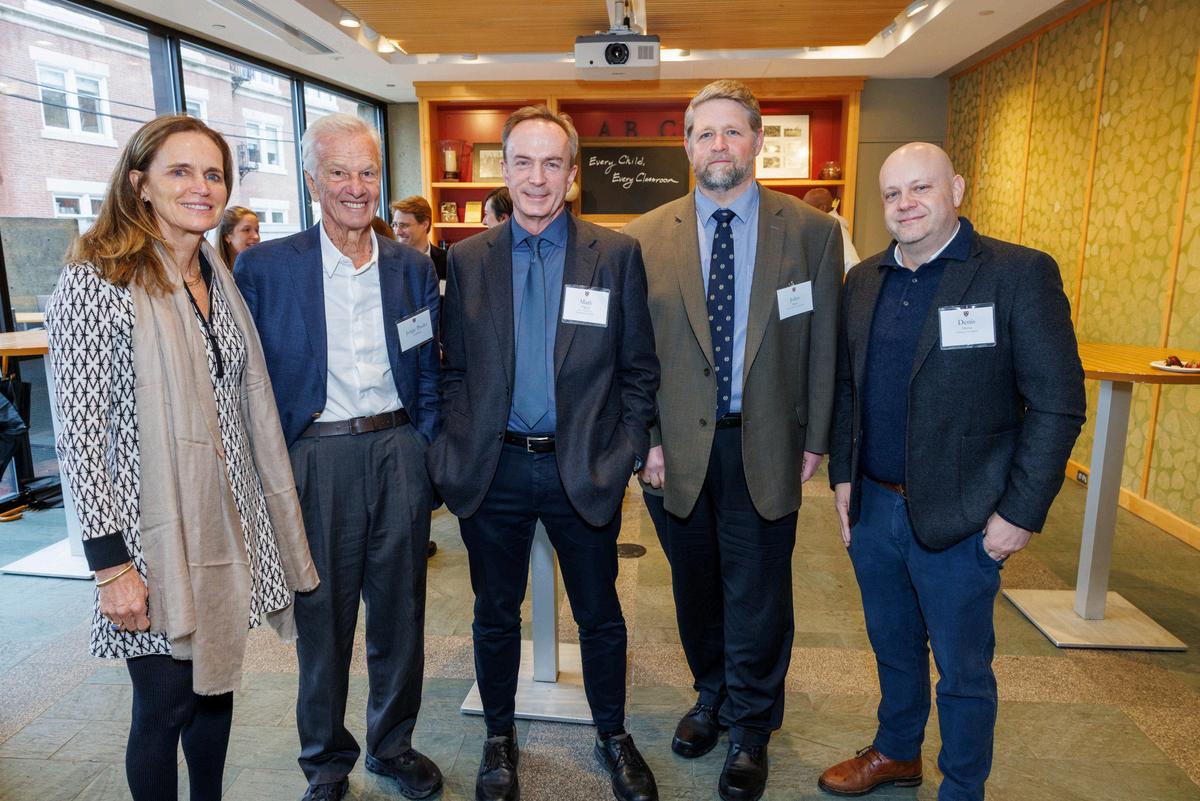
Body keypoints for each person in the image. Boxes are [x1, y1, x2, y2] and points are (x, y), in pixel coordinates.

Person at [44, 114, 319, 801]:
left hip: (227, 527)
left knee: (215, 694)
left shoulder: (217, 274)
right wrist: (112, 568)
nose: (202, 186)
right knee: (164, 707)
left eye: (213, 174)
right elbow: (80, 437)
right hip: (151, 538)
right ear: (140, 184)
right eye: (180, 171)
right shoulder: (97, 280)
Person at [818, 142, 1085, 800]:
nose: (905, 204)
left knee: (963, 671)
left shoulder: (1017, 274)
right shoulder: (865, 281)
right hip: (875, 507)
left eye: (922, 188)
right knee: (892, 644)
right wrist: (844, 478)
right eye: (892, 193)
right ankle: (896, 751)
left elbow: (1058, 404)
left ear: (957, 189)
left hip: (966, 515)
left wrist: (1018, 513)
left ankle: (962, 787)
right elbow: (848, 387)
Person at [427, 105, 660, 801]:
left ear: (573, 174)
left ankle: (612, 735)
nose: (537, 178)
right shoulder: (468, 258)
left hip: (581, 465)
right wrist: (451, 449)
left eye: (552, 163)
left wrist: (624, 451)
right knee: (495, 613)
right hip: (493, 467)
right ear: (503, 169)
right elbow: (452, 368)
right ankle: (499, 739)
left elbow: (639, 368)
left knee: (600, 615)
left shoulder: (615, 255)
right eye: (523, 162)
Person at [624, 79, 842, 801]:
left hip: (765, 441)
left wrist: (815, 435)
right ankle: (711, 693)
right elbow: (633, 353)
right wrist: (645, 439)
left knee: (758, 591)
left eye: (733, 131)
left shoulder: (810, 232)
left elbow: (823, 344)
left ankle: (752, 724)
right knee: (694, 587)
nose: (719, 145)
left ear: (757, 141)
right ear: (687, 147)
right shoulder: (643, 237)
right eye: (704, 133)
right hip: (674, 452)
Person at [234, 113, 443, 801]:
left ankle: (392, 744)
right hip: (315, 458)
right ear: (311, 180)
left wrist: (425, 448)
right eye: (340, 172)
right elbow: (244, 378)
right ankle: (325, 762)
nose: (356, 186)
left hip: (398, 451)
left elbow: (431, 368)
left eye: (368, 172)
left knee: (400, 615)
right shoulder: (266, 267)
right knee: (322, 620)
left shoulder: (412, 267)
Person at [391, 195, 447, 284]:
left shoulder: (447, 261)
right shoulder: (389, 261)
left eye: (404, 225)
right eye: (394, 225)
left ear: (425, 225)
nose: (397, 232)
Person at [802, 187, 859, 273]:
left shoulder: (835, 228)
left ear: (822, 208)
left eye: (807, 206)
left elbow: (852, 262)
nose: (803, 210)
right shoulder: (820, 226)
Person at [217, 205, 260, 269]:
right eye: (247, 230)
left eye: (256, 230)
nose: (256, 236)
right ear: (227, 236)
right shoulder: (212, 271)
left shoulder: (262, 268)